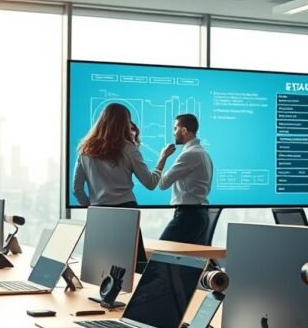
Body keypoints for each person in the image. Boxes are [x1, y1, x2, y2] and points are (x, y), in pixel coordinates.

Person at [73, 103, 158, 207]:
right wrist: (162, 159)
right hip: (127, 208)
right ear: (125, 123)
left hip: (98, 209)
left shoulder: (85, 150)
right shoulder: (128, 148)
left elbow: (77, 190)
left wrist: (92, 208)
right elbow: (150, 183)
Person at [153, 114, 213, 244]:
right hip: (200, 214)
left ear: (184, 130)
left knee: (160, 254)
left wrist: (163, 157)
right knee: (187, 262)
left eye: (175, 128)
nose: (174, 133)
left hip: (188, 216)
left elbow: (162, 184)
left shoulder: (190, 154)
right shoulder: (203, 153)